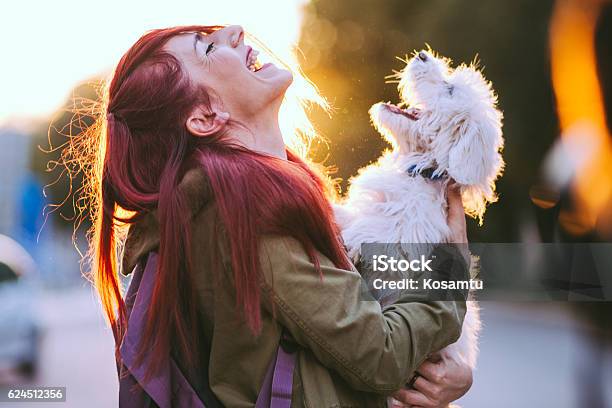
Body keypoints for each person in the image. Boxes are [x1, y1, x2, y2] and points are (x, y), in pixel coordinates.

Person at [85, 24, 473, 407]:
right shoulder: (247, 213)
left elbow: (337, 341)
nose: (234, 31)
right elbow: (381, 355)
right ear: (205, 117)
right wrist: (450, 267)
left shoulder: (237, 200)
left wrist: (440, 371)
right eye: (206, 47)